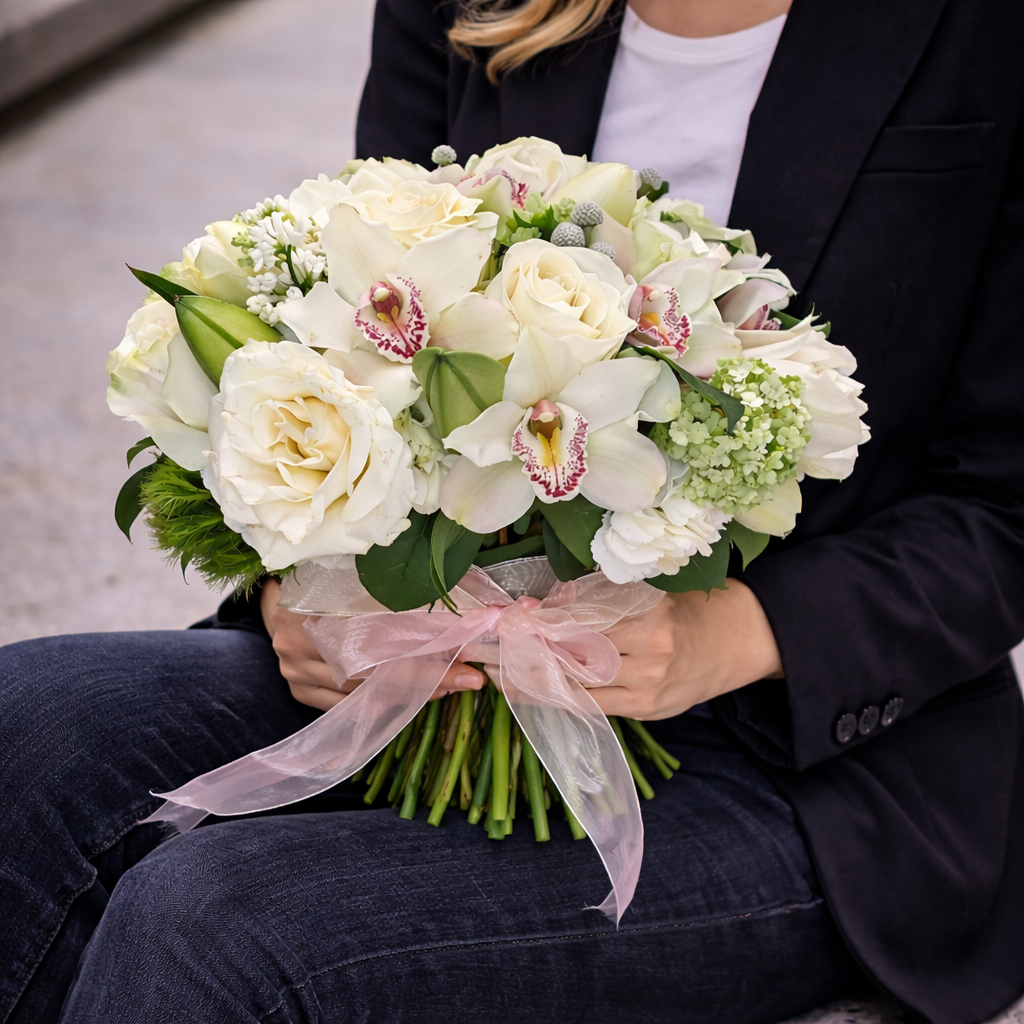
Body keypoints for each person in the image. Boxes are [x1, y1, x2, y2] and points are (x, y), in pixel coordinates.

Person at [2, 0, 1023, 1020]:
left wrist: (731, 634)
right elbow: (358, 334)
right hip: (437, 664)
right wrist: (301, 590)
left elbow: (1002, 501)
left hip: (800, 763)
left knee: (213, 920)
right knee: (30, 729)